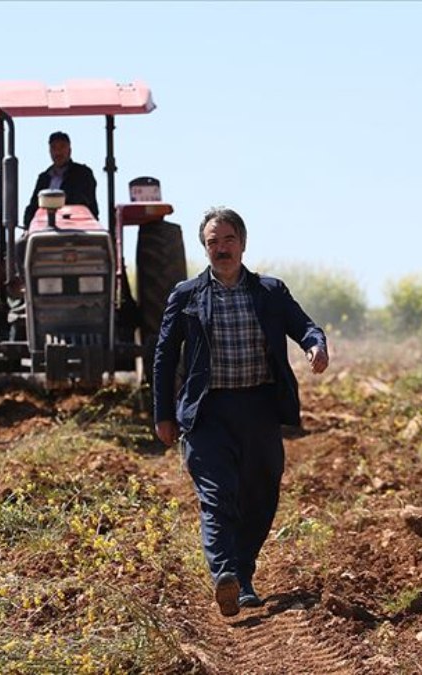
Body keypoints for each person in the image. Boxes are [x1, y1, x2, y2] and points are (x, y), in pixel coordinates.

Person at [152, 207, 329, 617]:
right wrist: (163, 413)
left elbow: (304, 326)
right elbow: (163, 358)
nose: (221, 249)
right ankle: (225, 574)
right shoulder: (187, 295)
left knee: (261, 494)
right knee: (217, 497)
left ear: (243, 243)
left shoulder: (269, 291)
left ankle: (242, 575)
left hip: (259, 408)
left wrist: (314, 345)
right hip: (207, 412)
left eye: (228, 240)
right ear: (205, 249)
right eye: (213, 242)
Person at [22, 131, 99, 225]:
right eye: (54, 148)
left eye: (62, 147)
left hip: (77, 226)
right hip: (45, 228)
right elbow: (33, 205)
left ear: (69, 150)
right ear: (49, 151)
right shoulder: (44, 178)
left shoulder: (82, 173)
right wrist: (28, 225)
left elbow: (81, 200)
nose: (58, 152)